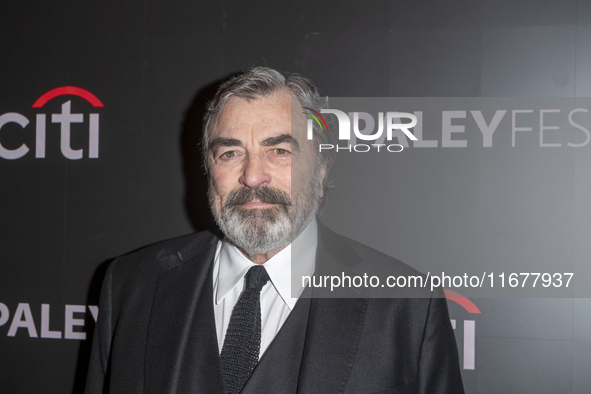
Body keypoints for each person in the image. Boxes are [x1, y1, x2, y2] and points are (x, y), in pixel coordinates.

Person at [85, 67, 464, 394]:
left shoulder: (406, 306)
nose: (252, 176)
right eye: (229, 153)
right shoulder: (131, 285)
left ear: (319, 171)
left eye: (279, 151)